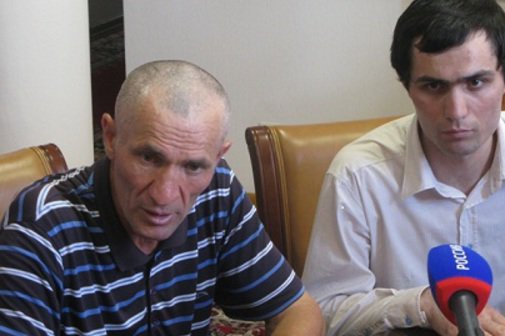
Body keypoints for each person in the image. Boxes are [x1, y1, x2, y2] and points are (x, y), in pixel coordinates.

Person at [302, 0, 505, 335]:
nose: (456, 111)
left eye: (476, 83)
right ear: (407, 85)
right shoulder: (357, 174)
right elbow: (326, 312)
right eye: (433, 86)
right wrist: (422, 305)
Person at [0, 60, 324, 335]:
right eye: (148, 158)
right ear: (110, 138)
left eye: (194, 166)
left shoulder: (217, 189)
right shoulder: (40, 228)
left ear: (218, 155)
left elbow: (298, 309)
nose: (165, 194)